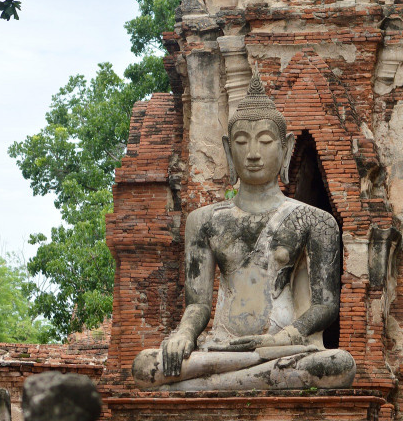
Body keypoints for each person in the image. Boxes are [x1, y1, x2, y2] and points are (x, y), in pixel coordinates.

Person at [132, 75, 356, 391]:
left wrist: (279, 339)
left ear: (287, 148)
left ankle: (201, 388)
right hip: (220, 347)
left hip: (282, 346)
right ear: (228, 149)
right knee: (145, 365)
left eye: (264, 141)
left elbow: (325, 306)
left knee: (336, 365)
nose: (252, 153)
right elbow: (198, 305)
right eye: (241, 142)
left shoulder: (314, 221)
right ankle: (243, 377)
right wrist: (183, 335)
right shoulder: (204, 220)